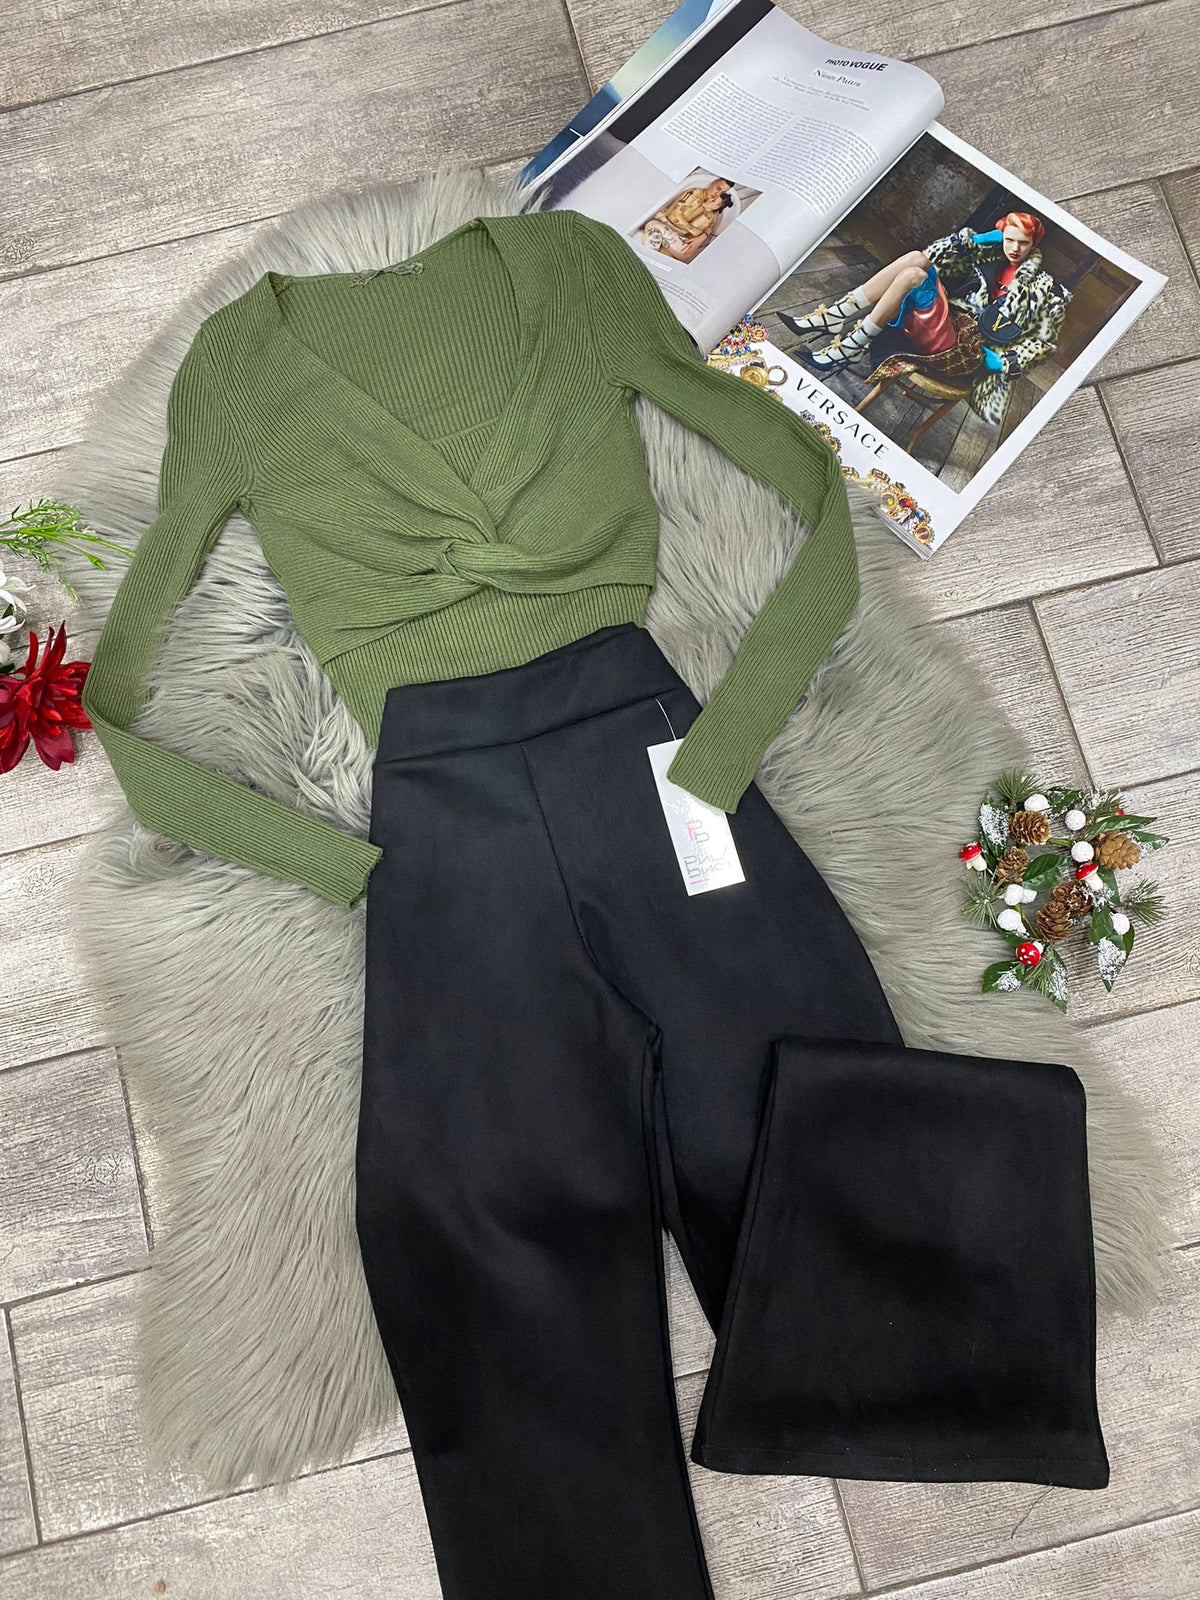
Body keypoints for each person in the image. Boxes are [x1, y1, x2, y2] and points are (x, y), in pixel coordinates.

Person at [781, 211, 1071, 424]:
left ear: (1034, 244)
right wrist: (979, 240)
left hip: (967, 353)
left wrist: (998, 362)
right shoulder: (988, 256)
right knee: (916, 261)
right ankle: (838, 321)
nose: (1015, 248)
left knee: (913, 276)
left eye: (1023, 243)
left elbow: (1043, 346)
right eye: (1009, 239)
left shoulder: (1044, 290)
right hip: (946, 325)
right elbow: (933, 255)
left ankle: (849, 342)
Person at [641, 176, 735, 262]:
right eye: (718, 188)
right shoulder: (694, 194)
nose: (717, 194)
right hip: (677, 242)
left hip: (685, 245)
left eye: (722, 193)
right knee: (662, 255)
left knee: (653, 225)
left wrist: (699, 235)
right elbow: (675, 216)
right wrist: (700, 235)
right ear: (712, 183)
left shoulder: (711, 213)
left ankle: (644, 259)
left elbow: (676, 219)